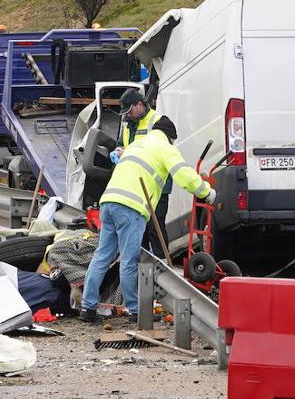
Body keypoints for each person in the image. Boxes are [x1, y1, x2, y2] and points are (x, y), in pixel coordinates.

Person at [81, 130, 215, 322]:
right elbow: (183, 175)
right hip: (131, 207)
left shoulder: (137, 144)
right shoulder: (165, 148)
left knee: (102, 256)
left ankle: (88, 308)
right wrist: (205, 191)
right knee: (129, 260)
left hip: (109, 202)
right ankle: (135, 311)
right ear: (171, 138)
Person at [113, 89, 178, 254]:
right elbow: (122, 143)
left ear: (140, 105)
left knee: (155, 228)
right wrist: (118, 151)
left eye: (130, 111)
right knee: (138, 230)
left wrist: (126, 152)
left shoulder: (158, 122)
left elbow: (161, 152)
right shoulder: (127, 123)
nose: (127, 115)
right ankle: (142, 269)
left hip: (156, 185)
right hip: (137, 186)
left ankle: (161, 266)